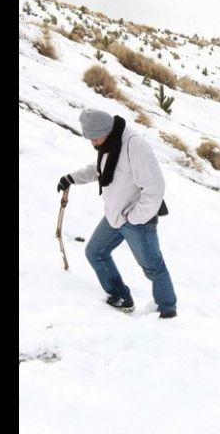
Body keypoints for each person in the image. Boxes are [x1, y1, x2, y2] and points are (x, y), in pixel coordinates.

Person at [57, 109, 177, 319]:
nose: (93, 143)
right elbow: (99, 169)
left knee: (153, 268)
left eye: (95, 138)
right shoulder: (109, 143)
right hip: (115, 215)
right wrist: (71, 178)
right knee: (95, 253)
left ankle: (167, 312)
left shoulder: (135, 146)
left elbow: (155, 187)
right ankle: (121, 297)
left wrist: (134, 218)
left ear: (106, 130)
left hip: (136, 220)